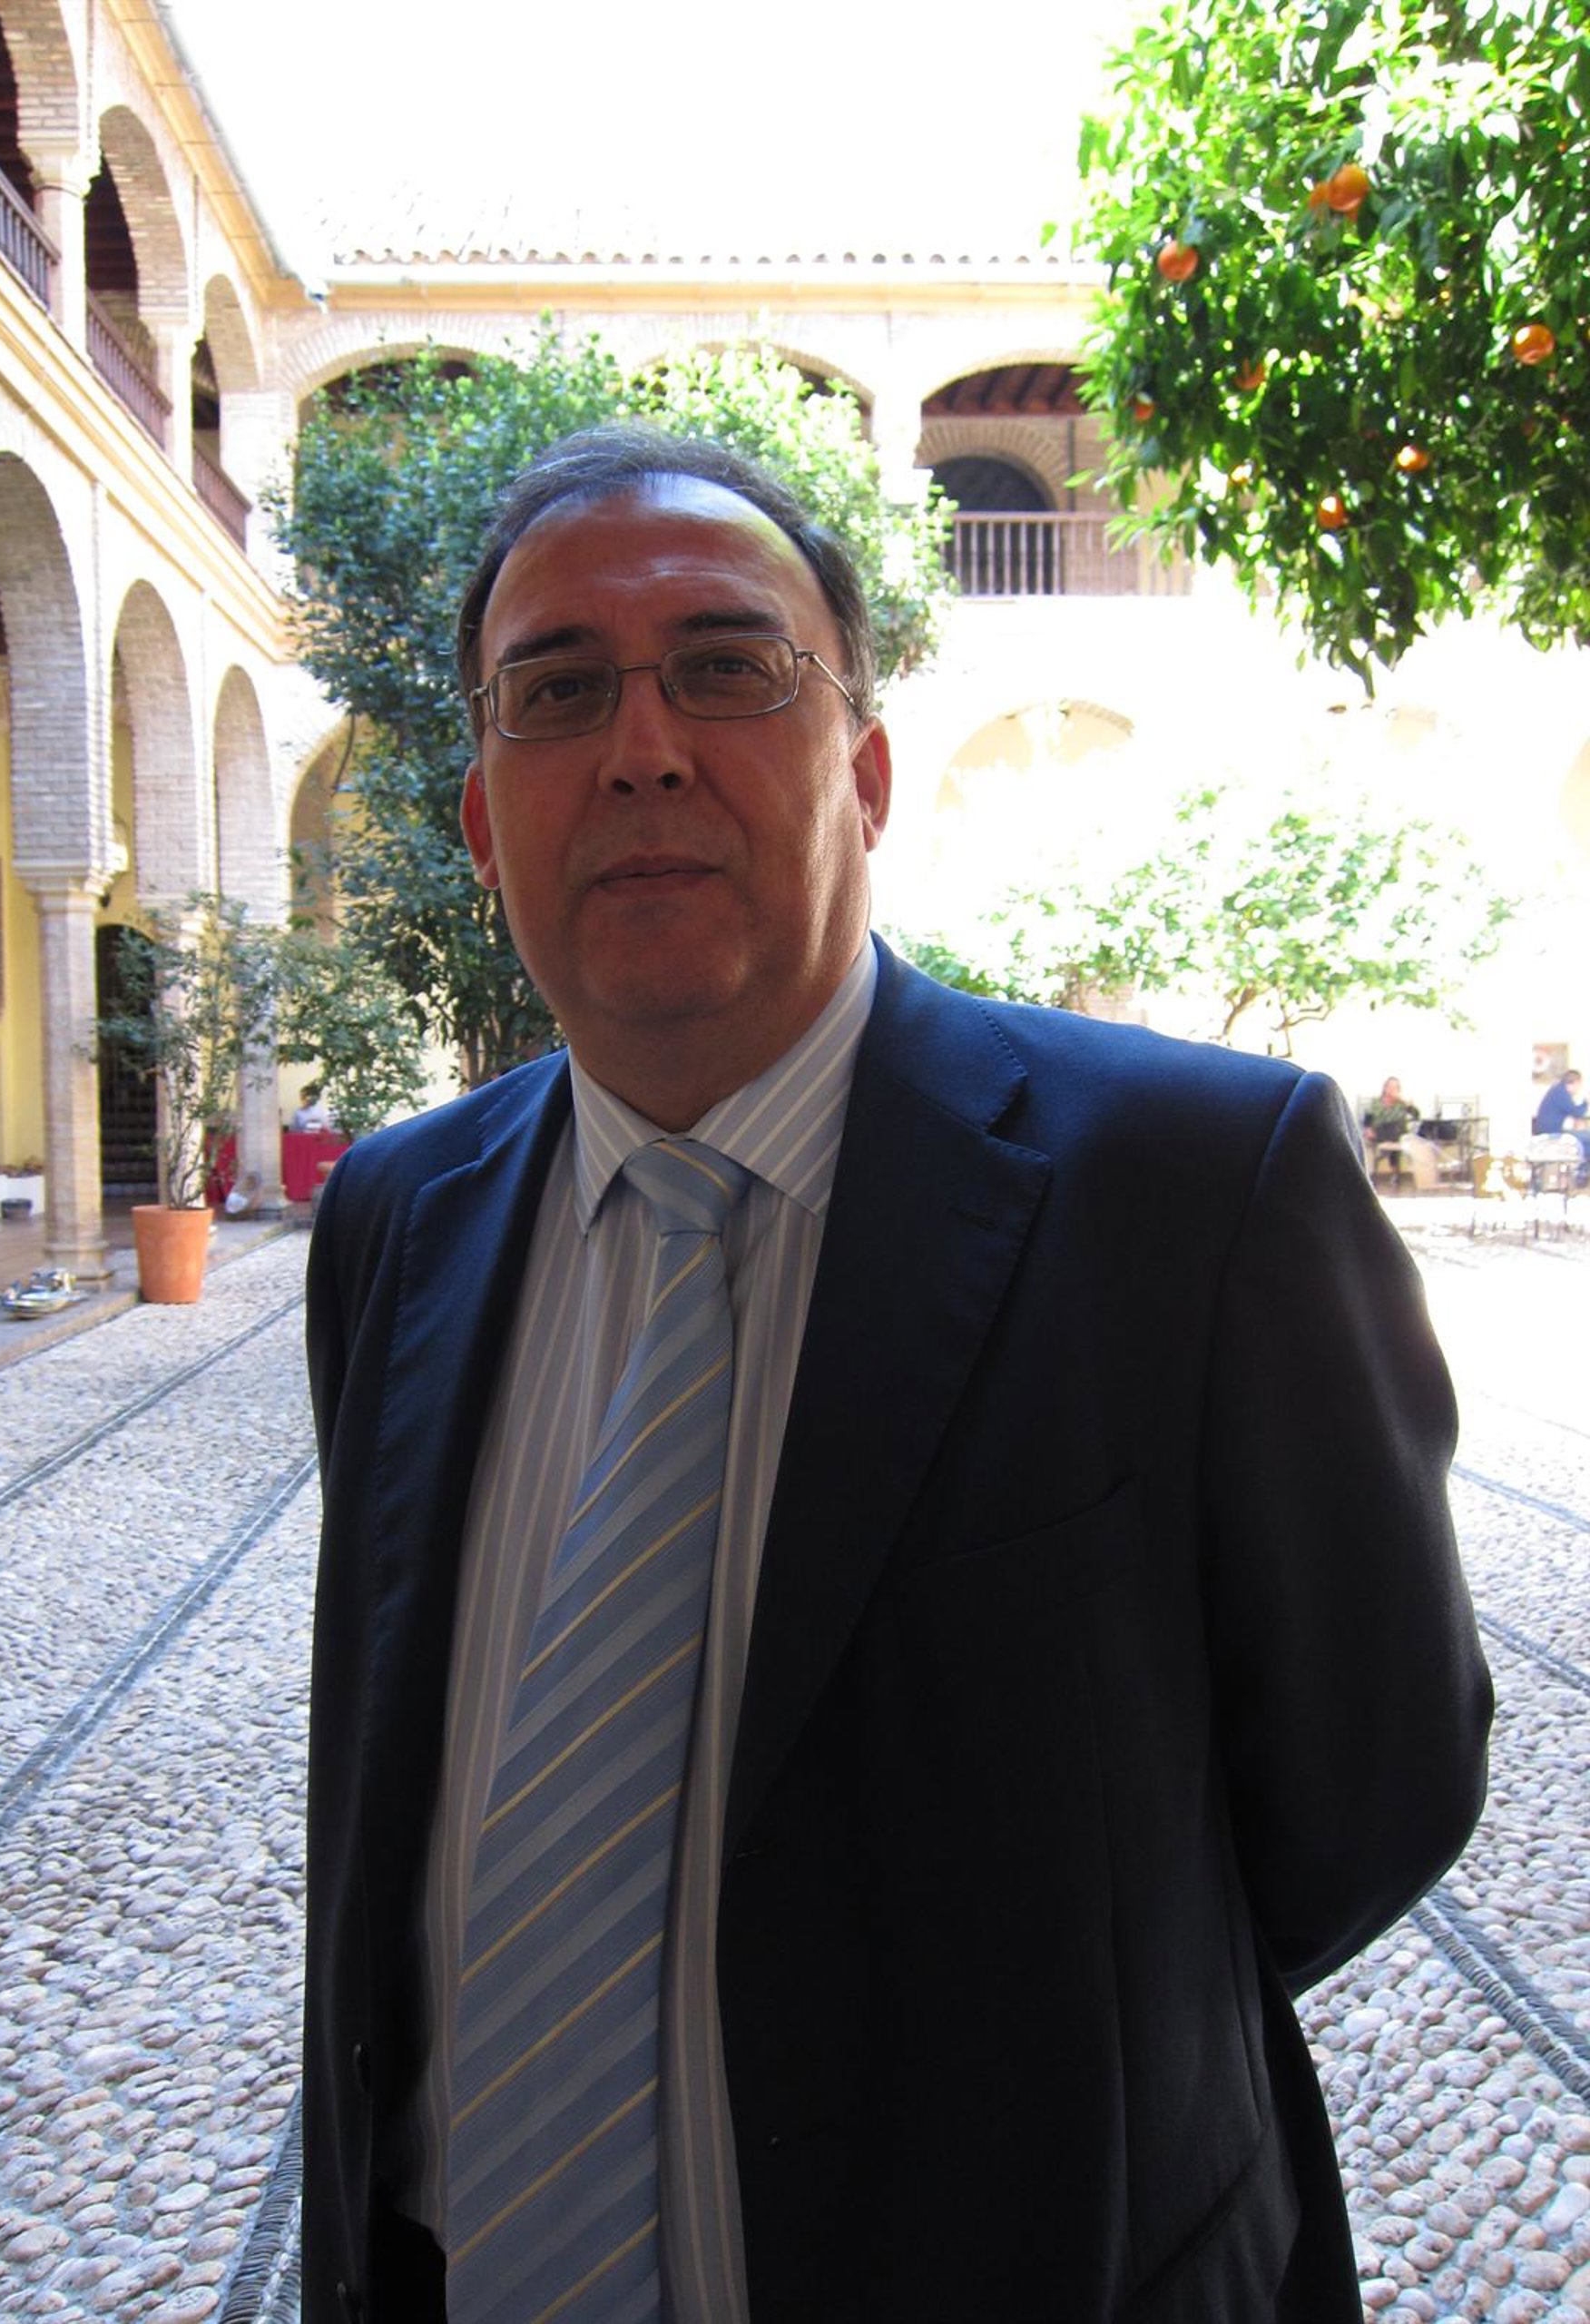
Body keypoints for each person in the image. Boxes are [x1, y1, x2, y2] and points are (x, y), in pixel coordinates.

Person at [302, 428, 1491, 2324]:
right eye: (558, 689)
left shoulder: (1198, 1191)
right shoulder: (395, 1219)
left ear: (864, 776)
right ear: (481, 819)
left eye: (726, 665)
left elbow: (1374, 1788)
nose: (642, 748)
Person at [1533, 1068, 1589, 1178]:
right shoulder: (1562, 1094)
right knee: (1587, 1138)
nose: (1578, 1089)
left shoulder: (1557, 1090)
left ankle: (1582, 1172)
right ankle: (1581, 1174)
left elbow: (1570, 1111)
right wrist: (1586, 1102)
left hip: (1546, 1129)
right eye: (1579, 1086)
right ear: (1575, 1083)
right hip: (1552, 1133)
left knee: (1585, 1138)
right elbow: (1577, 1112)